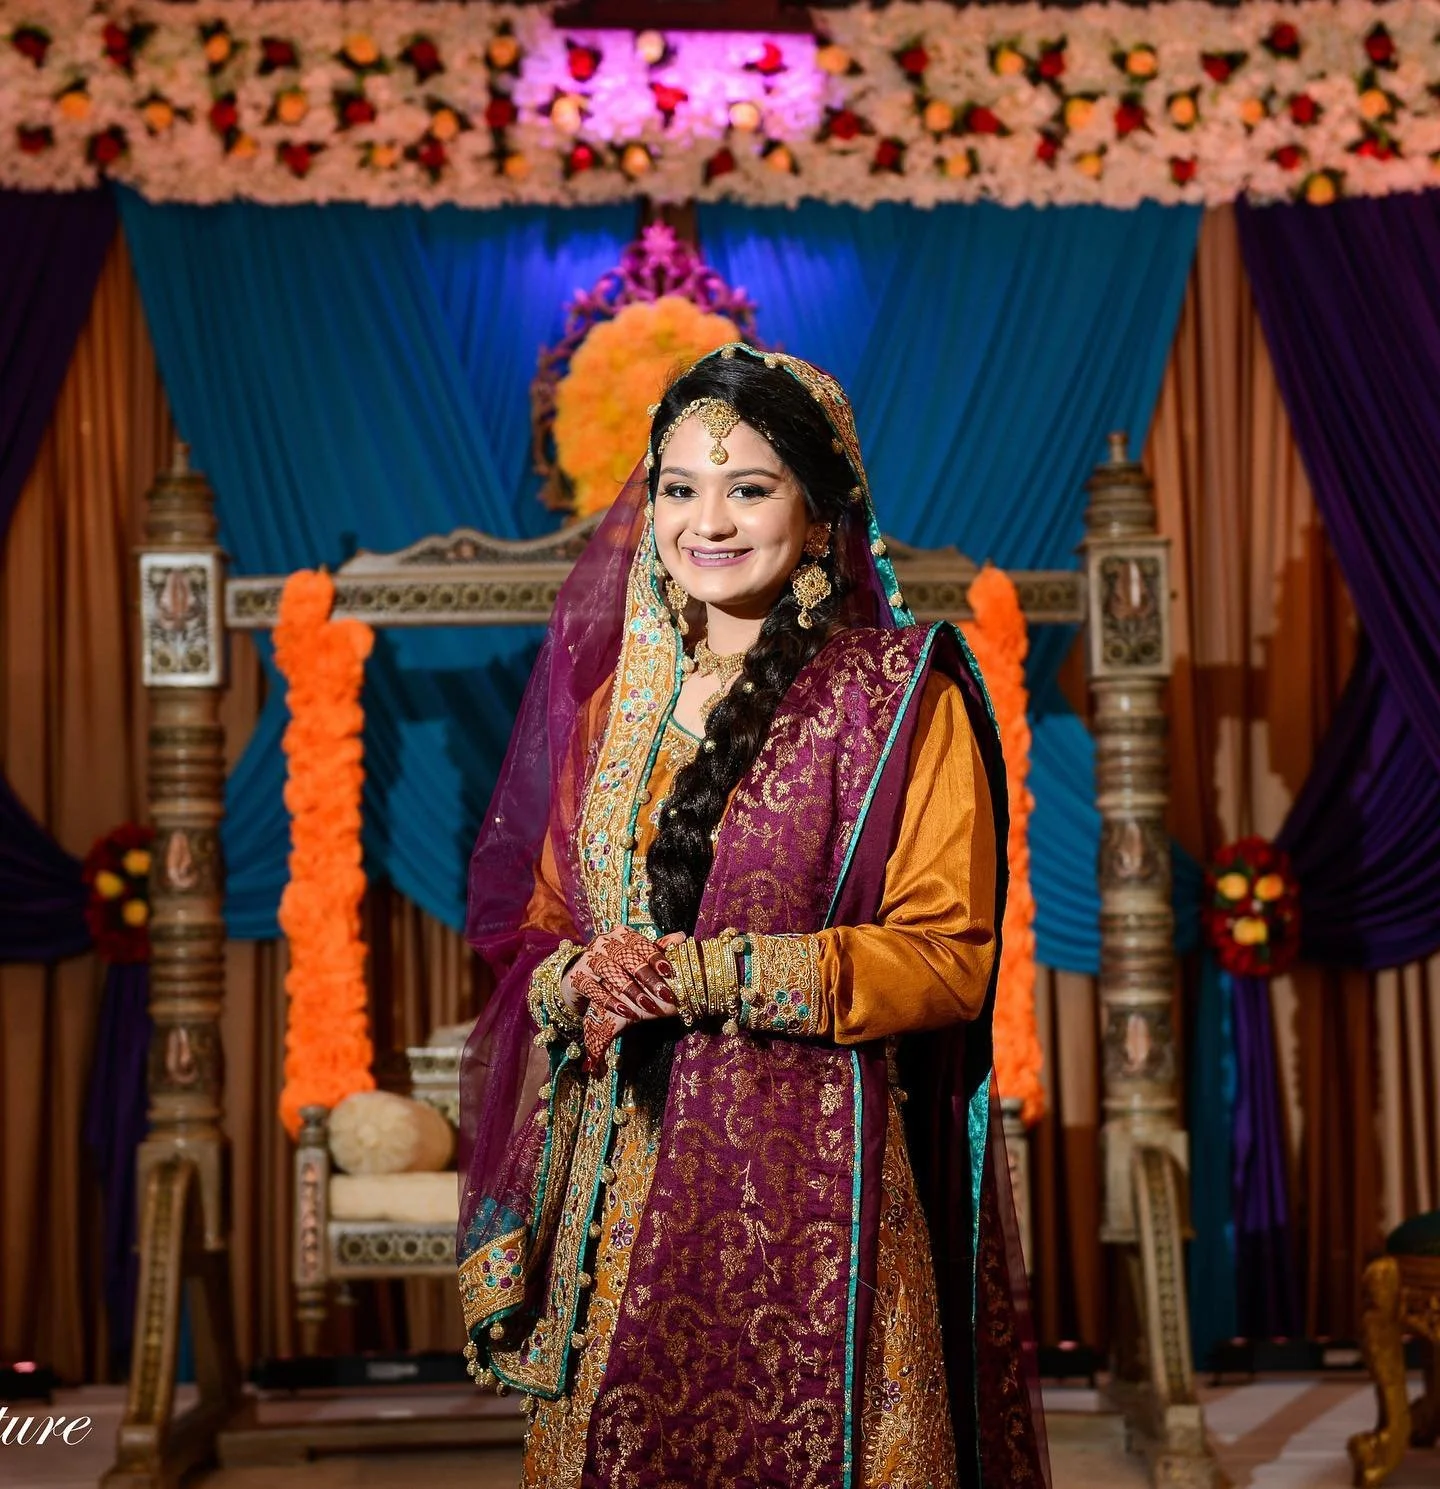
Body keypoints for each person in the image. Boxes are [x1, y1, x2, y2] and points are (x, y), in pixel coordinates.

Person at [456, 344, 1049, 1488]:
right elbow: (536, 928)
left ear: (825, 516)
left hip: (815, 1207)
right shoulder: (607, 719)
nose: (706, 520)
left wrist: (706, 977)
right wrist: (575, 978)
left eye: (749, 486)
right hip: (616, 1210)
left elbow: (945, 958)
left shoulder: (898, 696)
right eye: (679, 488)